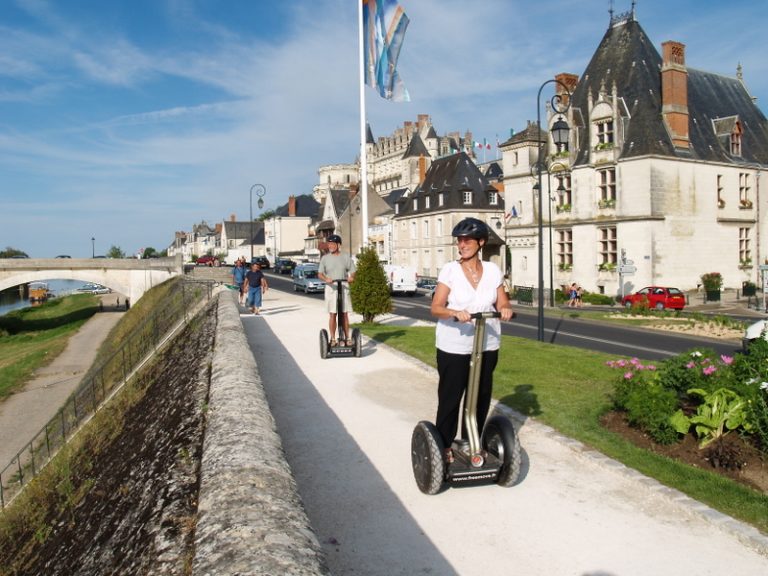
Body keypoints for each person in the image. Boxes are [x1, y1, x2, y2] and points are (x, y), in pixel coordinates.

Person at [430, 217, 514, 464]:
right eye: (459, 240)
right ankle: (444, 445)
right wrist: (454, 312)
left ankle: (471, 442)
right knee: (451, 396)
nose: (462, 244)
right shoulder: (450, 270)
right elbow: (436, 307)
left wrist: (506, 308)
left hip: (487, 342)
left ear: (481, 242)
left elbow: (502, 301)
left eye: (467, 240)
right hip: (454, 344)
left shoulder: (492, 270)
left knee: (480, 395)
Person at [318, 234, 356, 346]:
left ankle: (348, 338)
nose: (330, 246)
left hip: (343, 287)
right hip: (331, 288)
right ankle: (333, 339)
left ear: (338, 245)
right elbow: (319, 274)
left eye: (332, 244)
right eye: (329, 244)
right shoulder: (325, 258)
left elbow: (353, 270)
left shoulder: (345, 257)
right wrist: (326, 278)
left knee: (344, 313)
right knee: (333, 314)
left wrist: (352, 277)